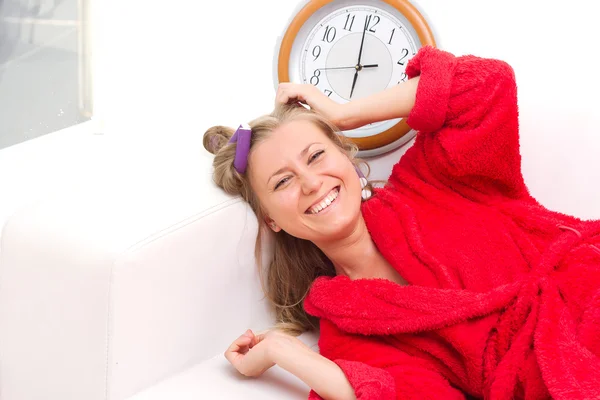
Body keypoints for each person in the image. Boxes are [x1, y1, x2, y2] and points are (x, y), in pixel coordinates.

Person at [203, 46, 600, 400]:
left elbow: (487, 85)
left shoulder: (431, 179)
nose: (310, 183)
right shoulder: (350, 325)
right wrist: (283, 352)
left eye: (316, 156)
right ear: (271, 220)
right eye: (283, 181)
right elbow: (407, 393)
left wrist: (346, 112)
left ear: (346, 156)